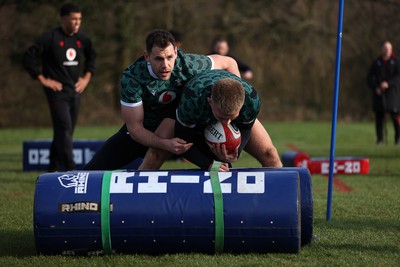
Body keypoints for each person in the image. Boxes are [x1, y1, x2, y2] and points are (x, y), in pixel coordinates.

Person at [84, 29, 240, 170]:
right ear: (147, 56)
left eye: (170, 57)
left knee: (224, 168)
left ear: (176, 54)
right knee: (91, 173)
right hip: (145, 133)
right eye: (158, 58)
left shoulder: (188, 64)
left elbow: (229, 63)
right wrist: (165, 144)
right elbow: (135, 129)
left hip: (186, 129)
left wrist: (235, 103)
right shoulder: (132, 78)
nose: (165, 65)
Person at [139, 69, 282, 171]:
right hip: (192, 118)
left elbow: (246, 127)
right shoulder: (193, 99)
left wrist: (235, 151)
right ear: (210, 101)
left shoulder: (252, 100)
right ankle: (137, 203)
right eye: (222, 117)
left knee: (270, 154)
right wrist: (208, 164)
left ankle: (282, 205)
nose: (226, 124)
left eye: (232, 117)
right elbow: (182, 142)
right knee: (155, 154)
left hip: (216, 110)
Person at [23, 3, 96, 172]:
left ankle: (52, 168)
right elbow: (28, 58)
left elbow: (92, 57)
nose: (77, 22)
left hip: (75, 91)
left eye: (79, 19)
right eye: (73, 19)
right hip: (57, 93)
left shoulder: (82, 40)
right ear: (63, 19)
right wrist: (43, 79)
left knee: (65, 131)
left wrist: (86, 78)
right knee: (64, 129)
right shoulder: (50, 38)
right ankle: (72, 170)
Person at [367, 41, 400, 145]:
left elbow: (398, 77)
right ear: (381, 49)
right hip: (379, 95)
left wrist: (388, 83)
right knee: (379, 118)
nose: (387, 50)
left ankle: (398, 139)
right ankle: (380, 140)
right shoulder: (376, 62)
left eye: (389, 48)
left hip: (393, 95)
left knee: (396, 117)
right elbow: (369, 78)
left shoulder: (396, 62)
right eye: (385, 48)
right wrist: (376, 87)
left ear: (391, 50)